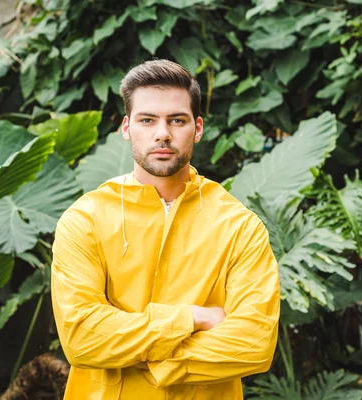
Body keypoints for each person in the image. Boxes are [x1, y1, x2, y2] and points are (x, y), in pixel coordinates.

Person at [51, 59, 280, 400]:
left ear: (198, 128)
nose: (162, 133)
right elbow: (83, 338)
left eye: (177, 120)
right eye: (147, 120)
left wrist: (156, 364)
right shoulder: (86, 219)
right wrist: (191, 318)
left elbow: (254, 343)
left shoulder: (239, 226)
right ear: (127, 128)